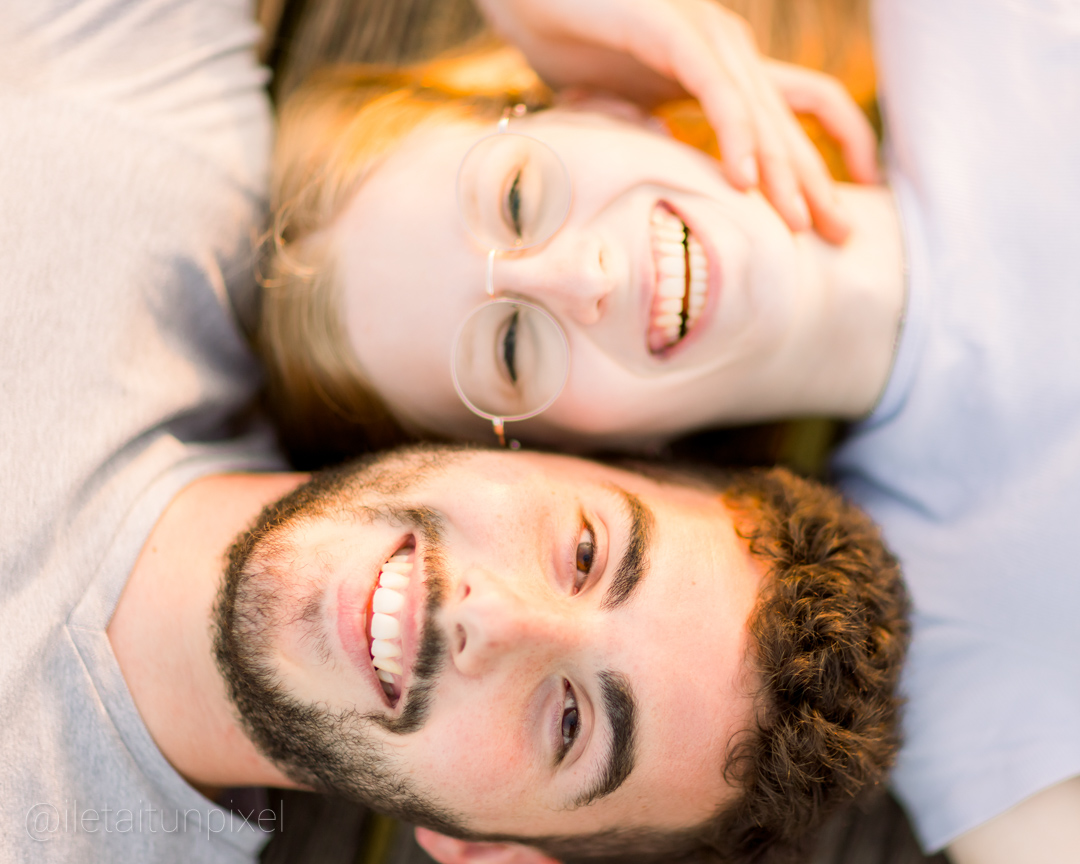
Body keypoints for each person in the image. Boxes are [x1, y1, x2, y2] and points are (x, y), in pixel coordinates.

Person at [0, 1, 907, 863]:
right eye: (584, 552)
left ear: (489, 851)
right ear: (543, 450)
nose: (490, 615)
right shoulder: (153, 155)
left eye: (569, 725)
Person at [259, 0, 1080, 861]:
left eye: (516, 195)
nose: (580, 276)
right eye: (510, 347)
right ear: (573, 464)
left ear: (591, 106)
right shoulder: (952, 634)